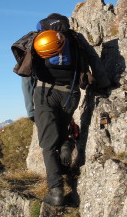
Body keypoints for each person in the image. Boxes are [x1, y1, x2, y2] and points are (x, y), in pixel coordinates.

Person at [16, 13, 110, 206]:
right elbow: (93, 59)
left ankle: (56, 191)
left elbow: (26, 75)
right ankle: (67, 144)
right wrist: (104, 83)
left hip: (45, 94)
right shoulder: (75, 38)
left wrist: (30, 109)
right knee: (62, 128)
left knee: (48, 144)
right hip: (71, 94)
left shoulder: (37, 39)